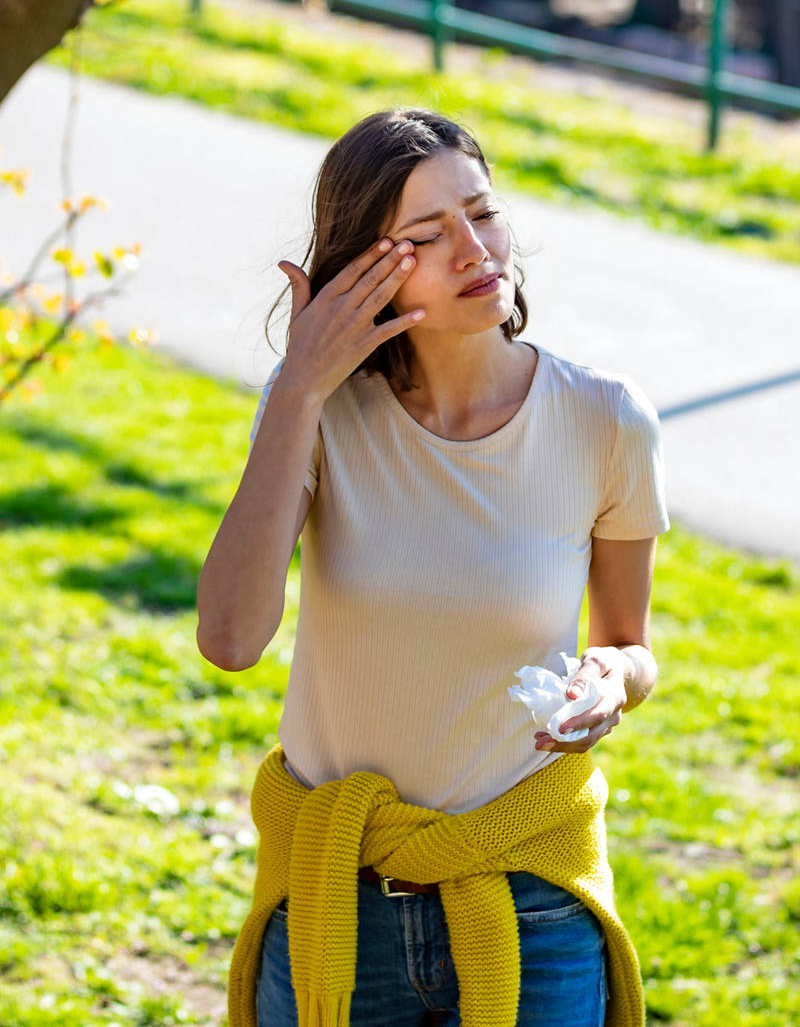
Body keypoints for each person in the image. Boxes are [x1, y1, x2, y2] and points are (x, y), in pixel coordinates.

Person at [196, 108, 669, 1027]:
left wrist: (615, 680)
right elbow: (230, 639)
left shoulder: (608, 419)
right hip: (338, 896)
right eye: (425, 234)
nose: (474, 249)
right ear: (363, 266)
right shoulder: (318, 414)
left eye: (482, 214)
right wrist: (298, 386)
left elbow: (629, 644)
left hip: (530, 893)